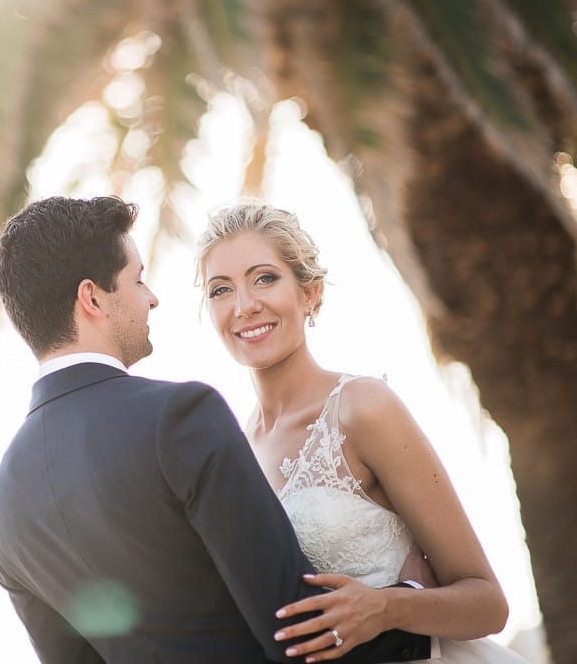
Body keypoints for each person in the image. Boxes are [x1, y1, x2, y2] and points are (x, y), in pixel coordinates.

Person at [0, 195, 432, 664]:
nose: (151, 298)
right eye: (137, 280)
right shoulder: (179, 417)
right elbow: (297, 632)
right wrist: (409, 605)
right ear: (92, 298)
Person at [195, 202, 530, 663]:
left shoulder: (361, 408)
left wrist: (385, 607)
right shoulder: (238, 446)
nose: (244, 305)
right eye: (220, 289)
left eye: (265, 278)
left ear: (309, 293)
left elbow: (487, 604)